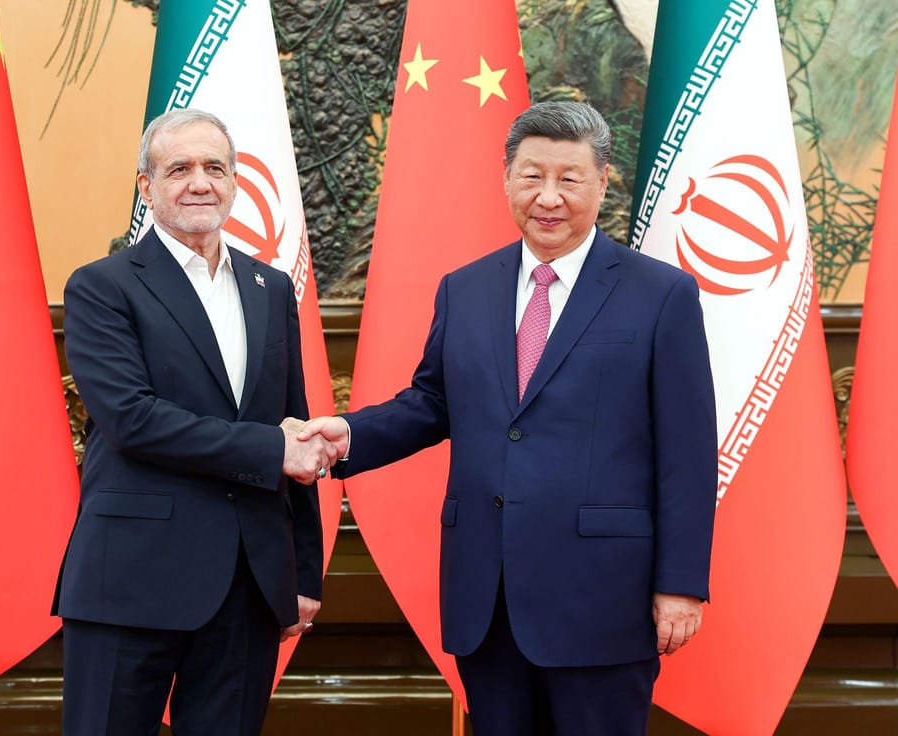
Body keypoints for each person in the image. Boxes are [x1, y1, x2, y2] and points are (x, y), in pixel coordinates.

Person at [300, 101, 718, 735]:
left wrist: (681, 585)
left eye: (569, 179)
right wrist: (351, 433)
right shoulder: (464, 288)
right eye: (531, 177)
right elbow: (434, 402)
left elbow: (689, 452)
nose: (548, 197)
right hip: (485, 595)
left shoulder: (661, 294)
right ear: (506, 180)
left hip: (602, 599)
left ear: (602, 184)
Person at [53, 108, 336, 736]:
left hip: (248, 583)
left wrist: (304, 571)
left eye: (215, 167)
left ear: (237, 181)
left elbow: (295, 427)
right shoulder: (103, 287)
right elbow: (132, 419)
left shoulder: (269, 287)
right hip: (131, 579)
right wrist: (269, 447)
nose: (200, 183)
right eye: (178, 169)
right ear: (146, 187)